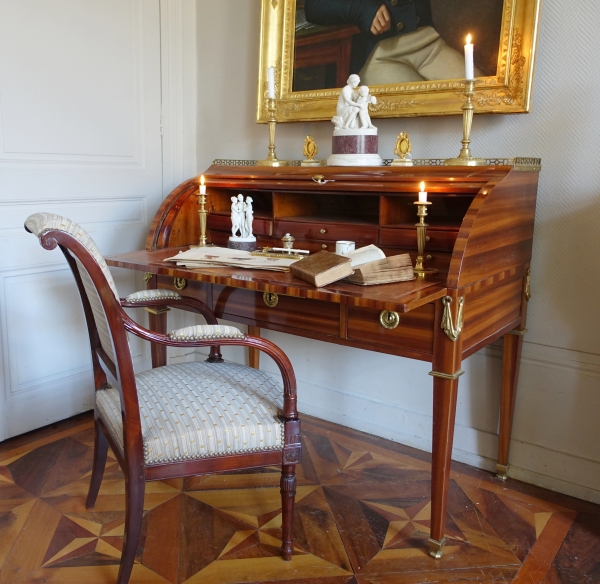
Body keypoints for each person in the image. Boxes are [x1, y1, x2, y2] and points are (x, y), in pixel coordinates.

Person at [304, 0, 481, 84]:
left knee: (483, 93)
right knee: (426, 111)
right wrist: (362, 11)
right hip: (378, 53)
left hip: (428, 42)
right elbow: (315, 6)